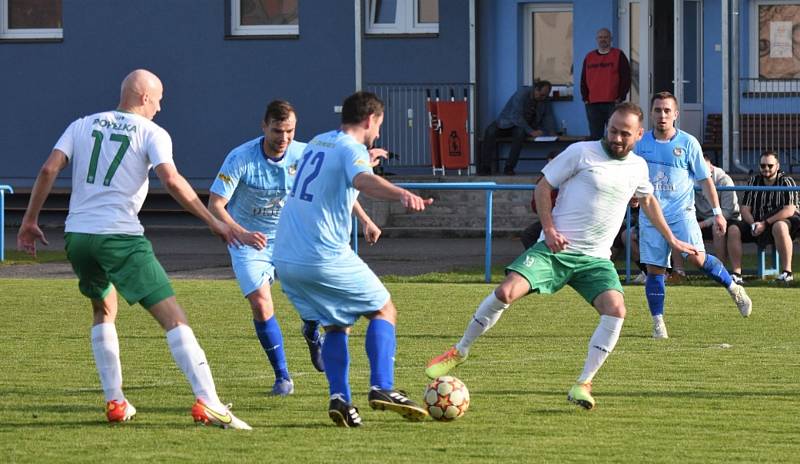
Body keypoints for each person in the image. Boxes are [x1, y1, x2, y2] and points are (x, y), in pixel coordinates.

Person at [16, 69, 251, 429]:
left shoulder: (82, 124)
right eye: (159, 99)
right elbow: (171, 179)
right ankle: (210, 401)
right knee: (174, 318)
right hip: (120, 237)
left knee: (103, 308)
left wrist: (29, 220)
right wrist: (212, 220)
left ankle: (116, 401)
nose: (160, 106)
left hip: (78, 236)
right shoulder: (151, 132)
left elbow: (49, 169)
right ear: (144, 97)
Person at [425, 103, 697, 411]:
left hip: (595, 260)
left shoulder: (638, 167)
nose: (617, 138)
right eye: (612, 130)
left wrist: (672, 238)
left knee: (616, 310)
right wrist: (549, 229)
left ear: (639, 134)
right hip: (556, 250)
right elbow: (543, 187)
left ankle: (583, 383)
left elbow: (647, 200)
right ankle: (460, 351)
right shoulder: (581, 152)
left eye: (624, 133)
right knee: (505, 292)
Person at [272, 91, 433, 427]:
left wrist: (365, 167)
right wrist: (400, 192)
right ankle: (382, 387)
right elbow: (360, 179)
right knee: (384, 308)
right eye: (379, 125)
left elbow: (334, 180)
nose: (377, 133)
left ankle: (340, 399)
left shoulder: (320, 141)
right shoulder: (351, 149)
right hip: (321, 254)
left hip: (285, 258)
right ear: (370, 119)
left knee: (336, 323)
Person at [208, 100, 329, 396]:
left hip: (291, 238)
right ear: (264, 127)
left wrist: (361, 219)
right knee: (262, 304)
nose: (284, 138)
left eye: (290, 131)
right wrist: (242, 232)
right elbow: (215, 205)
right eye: (277, 131)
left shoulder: (305, 154)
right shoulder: (241, 158)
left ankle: (312, 332)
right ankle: (282, 377)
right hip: (247, 239)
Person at [636, 92, 752, 340]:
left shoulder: (688, 143)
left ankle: (734, 288)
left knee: (698, 260)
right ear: (652, 114)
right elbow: (630, 176)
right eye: (658, 110)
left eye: (667, 110)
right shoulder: (641, 144)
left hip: (681, 214)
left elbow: (705, 180)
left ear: (676, 114)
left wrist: (718, 213)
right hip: (651, 216)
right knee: (655, 270)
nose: (662, 115)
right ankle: (658, 323)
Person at [726, 151, 800, 283]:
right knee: (732, 229)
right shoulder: (754, 181)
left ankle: (787, 273)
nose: (766, 168)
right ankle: (736, 274)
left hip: (781, 221)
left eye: (770, 165)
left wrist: (764, 223)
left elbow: (789, 210)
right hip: (756, 222)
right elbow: (744, 209)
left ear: (777, 166)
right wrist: (754, 223)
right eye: (763, 165)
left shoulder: (787, 181)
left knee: (780, 226)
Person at [478, 80, 556, 176]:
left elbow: (548, 116)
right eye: (542, 95)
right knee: (490, 131)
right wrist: (531, 131)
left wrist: (552, 131)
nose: (543, 98)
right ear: (536, 89)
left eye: (546, 95)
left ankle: (509, 167)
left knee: (520, 134)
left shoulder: (545, 100)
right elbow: (516, 116)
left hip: (522, 128)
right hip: (506, 123)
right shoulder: (521, 95)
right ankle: (485, 167)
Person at [581, 28, 631, 140]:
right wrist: (585, 97)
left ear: (611, 39)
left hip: (612, 102)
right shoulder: (589, 57)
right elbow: (583, 78)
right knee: (595, 136)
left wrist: (620, 97)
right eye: (600, 37)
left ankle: (611, 157)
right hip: (592, 103)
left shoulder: (618, 55)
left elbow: (626, 78)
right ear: (597, 40)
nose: (603, 40)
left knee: (613, 133)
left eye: (606, 37)